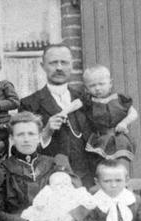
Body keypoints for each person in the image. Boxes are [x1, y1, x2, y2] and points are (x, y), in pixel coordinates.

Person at [20, 43, 93, 185]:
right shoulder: (29, 104)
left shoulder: (85, 100)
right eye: (53, 63)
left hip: (86, 181)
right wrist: (46, 132)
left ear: (72, 65)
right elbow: (23, 148)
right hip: (49, 181)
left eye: (64, 62)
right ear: (43, 66)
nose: (59, 67)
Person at [81, 64, 139, 164]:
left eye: (101, 84)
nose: (97, 88)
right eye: (92, 85)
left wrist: (124, 123)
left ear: (110, 83)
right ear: (86, 88)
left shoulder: (118, 99)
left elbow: (133, 113)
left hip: (118, 138)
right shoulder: (89, 102)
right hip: (100, 139)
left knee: (119, 164)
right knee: (101, 165)